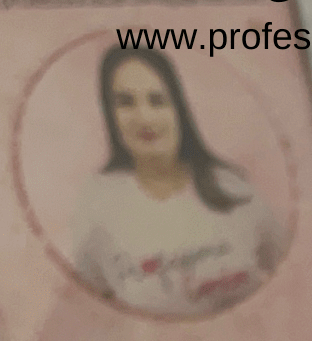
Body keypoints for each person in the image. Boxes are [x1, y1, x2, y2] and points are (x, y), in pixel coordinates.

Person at [73, 46, 287, 318]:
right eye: (125, 103)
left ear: (179, 108)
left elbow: (290, 274)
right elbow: (90, 303)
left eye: (157, 100)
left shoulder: (234, 189)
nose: (144, 117)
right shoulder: (97, 204)